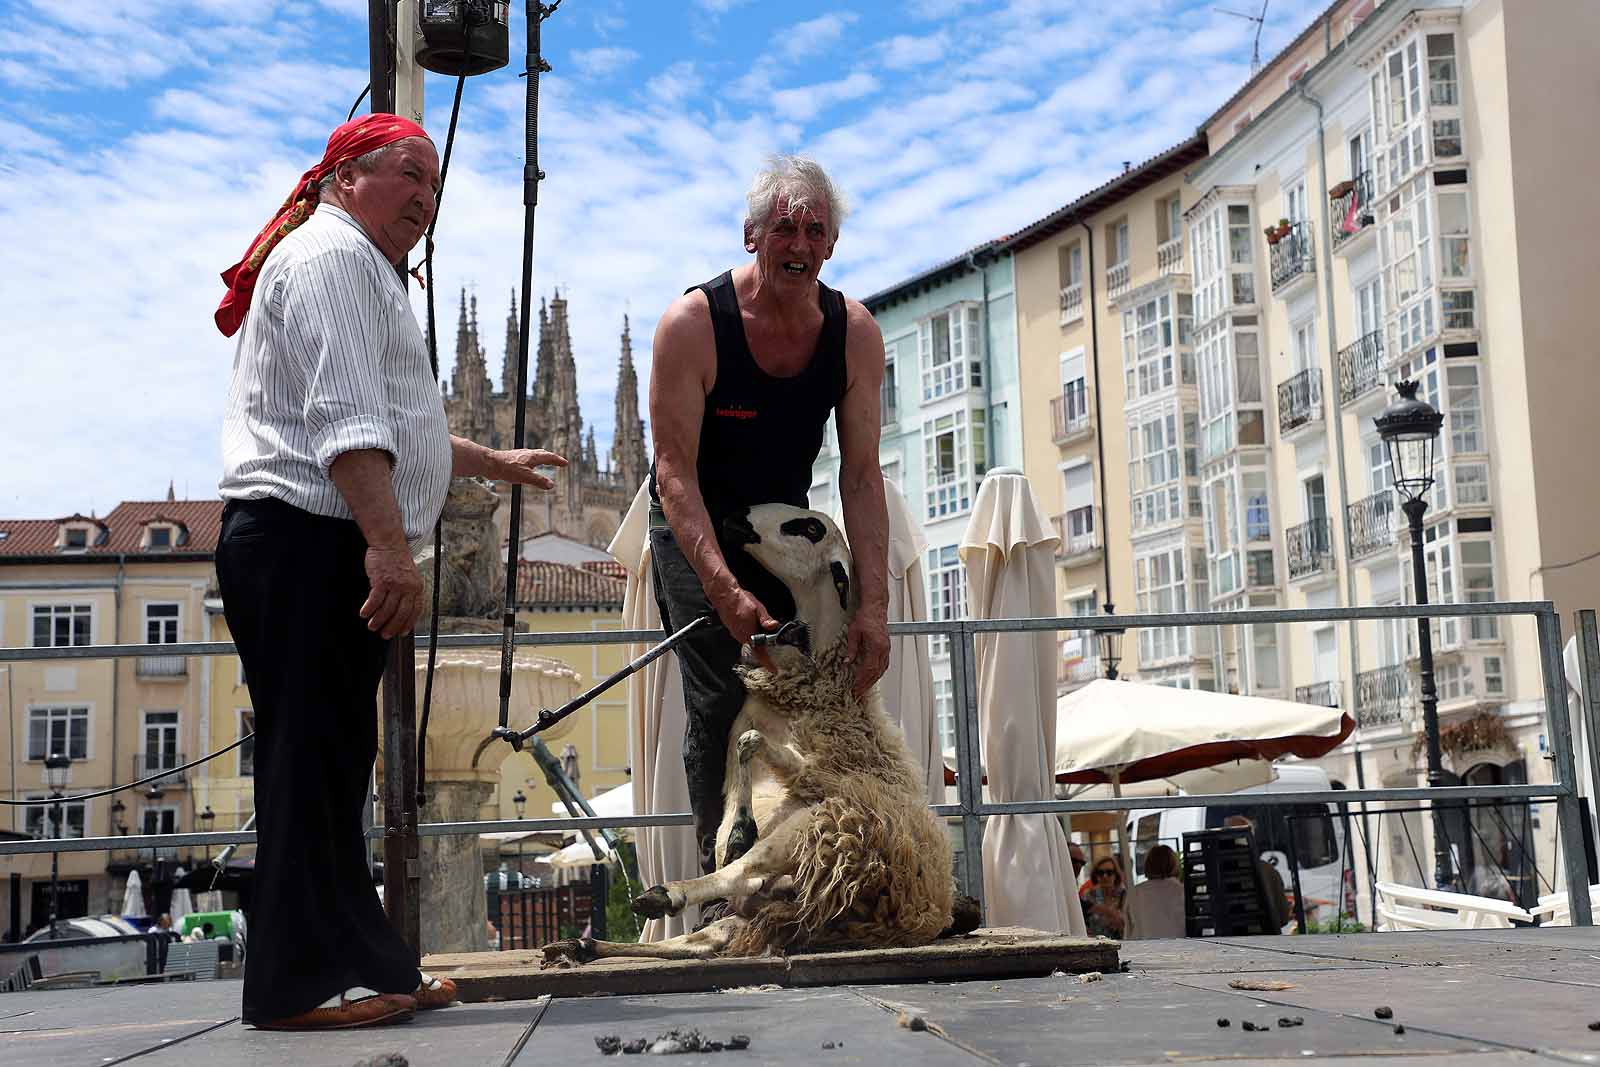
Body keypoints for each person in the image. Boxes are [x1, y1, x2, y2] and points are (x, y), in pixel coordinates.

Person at [214, 113, 567, 1030]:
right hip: (308, 539)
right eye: (410, 174)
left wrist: (490, 463)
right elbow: (344, 420)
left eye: (436, 185)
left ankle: (366, 965)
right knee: (309, 766)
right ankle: (295, 985)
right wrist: (389, 545)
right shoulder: (331, 258)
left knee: (336, 766)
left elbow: (389, 421)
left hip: (314, 539)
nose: (426, 196)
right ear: (344, 178)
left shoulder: (355, 263)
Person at [647, 155, 890, 883]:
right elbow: (672, 473)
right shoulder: (693, 324)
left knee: (815, 690)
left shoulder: (853, 332)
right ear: (751, 235)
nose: (801, 242)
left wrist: (874, 609)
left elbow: (861, 475)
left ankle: (804, 875)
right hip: (696, 527)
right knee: (725, 695)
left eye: (816, 230)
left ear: (832, 247)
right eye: (785, 226)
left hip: (785, 530)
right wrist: (722, 589)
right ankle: (720, 883)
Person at [1224, 815, 1291, 929]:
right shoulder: (1268, 870)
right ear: (1251, 839)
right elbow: (1283, 918)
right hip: (1263, 938)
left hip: (1225, 939)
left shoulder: (1214, 871)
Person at [1125, 844, 1186, 940]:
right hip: (1180, 948)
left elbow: (1128, 929)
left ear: (1148, 865)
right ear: (1173, 864)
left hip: (1144, 949)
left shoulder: (1135, 892)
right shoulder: (1182, 891)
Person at [1080, 856, 1126, 938]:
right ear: (1095, 875)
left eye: (1109, 872)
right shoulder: (1088, 895)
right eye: (1100, 873)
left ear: (1116, 875)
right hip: (1095, 946)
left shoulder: (1124, 895)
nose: (1105, 876)